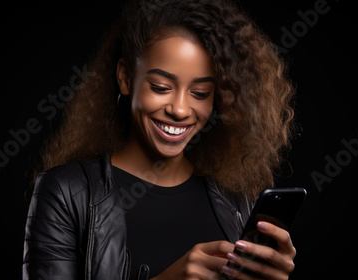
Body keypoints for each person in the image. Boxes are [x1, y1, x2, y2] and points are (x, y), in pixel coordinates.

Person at [23, 0, 296, 279]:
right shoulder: (67, 192)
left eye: (200, 93)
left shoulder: (236, 204)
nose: (179, 109)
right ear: (126, 78)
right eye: (161, 87)